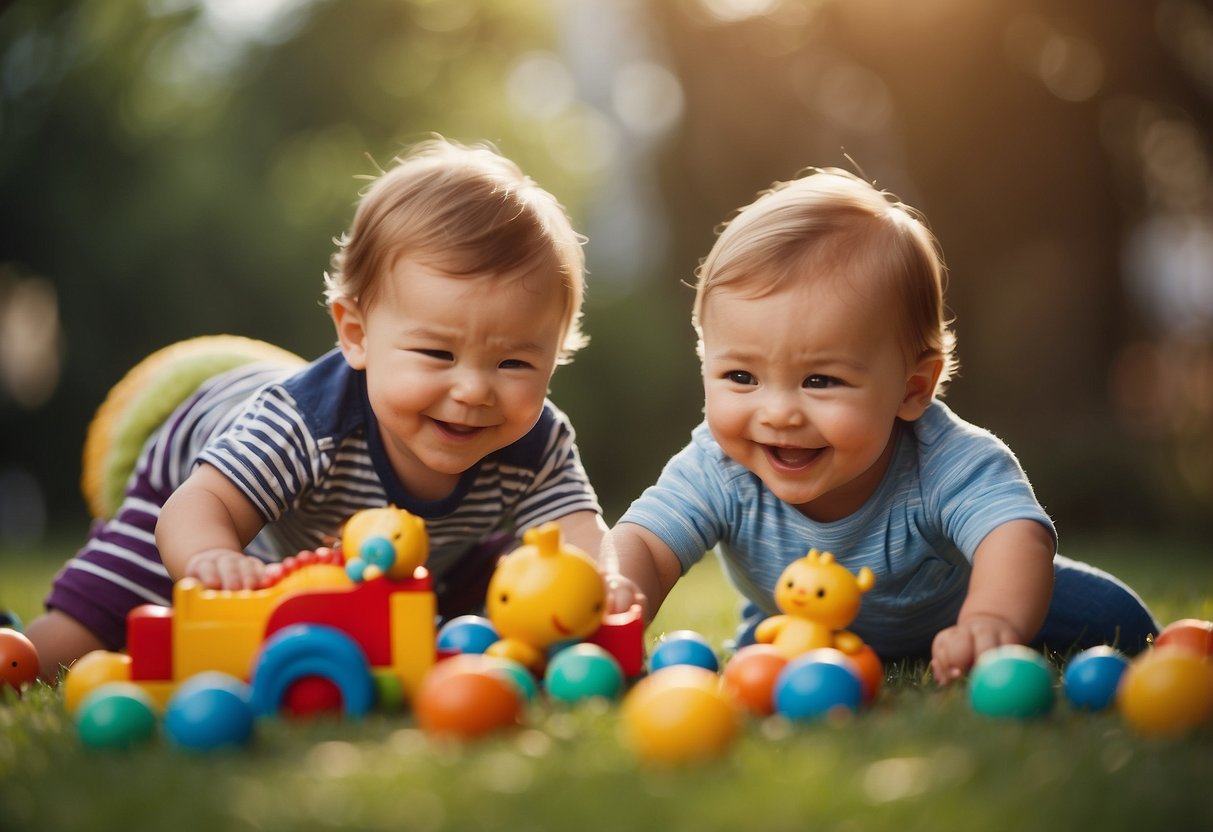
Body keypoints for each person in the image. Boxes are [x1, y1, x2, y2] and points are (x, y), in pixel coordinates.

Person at [27, 137, 606, 680]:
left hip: (414, 549)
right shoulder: (307, 424)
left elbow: (576, 529)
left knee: (488, 596)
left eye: (514, 364)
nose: (475, 390)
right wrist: (210, 556)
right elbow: (198, 504)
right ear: (356, 334)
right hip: (200, 477)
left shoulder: (535, 442)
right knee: (97, 621)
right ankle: (22, 652)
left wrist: (603, 581)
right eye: (437, 352)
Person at [602, 167, 1158, 683]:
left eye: (820, 380)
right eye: (741, 375)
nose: (777, 413)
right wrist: (619, 594)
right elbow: (647, 546)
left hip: (965, 607)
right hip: (799, 634)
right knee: (760, 669)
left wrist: (990, 620)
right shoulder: (717, 468)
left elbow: (1012, 535)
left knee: (1120, 623)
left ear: (913, 389)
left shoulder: (945, 460)